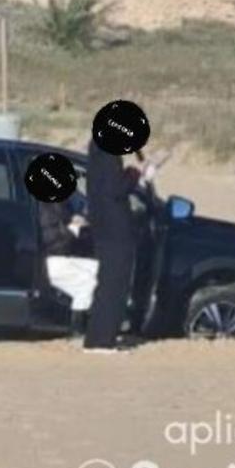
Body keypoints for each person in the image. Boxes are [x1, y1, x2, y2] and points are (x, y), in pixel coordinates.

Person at [83, 140, 143, 352]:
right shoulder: (107, 155)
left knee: (109, 284)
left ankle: (99, 338)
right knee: (113, 285)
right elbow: (115, 189)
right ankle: (102, 340)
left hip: (105, 228)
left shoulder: (97, 153)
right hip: (114, 230)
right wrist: (135, 174)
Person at [39, 198, 95, 335]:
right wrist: (75, 226)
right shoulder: (45, 207)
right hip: (48, 260)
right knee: (87, 282)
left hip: (62, 256)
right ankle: (78, 328)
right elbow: (53, 242)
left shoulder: (60, 203)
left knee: (99, 268)